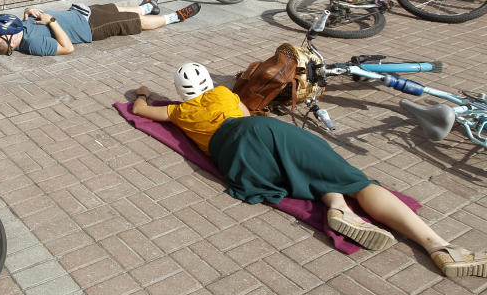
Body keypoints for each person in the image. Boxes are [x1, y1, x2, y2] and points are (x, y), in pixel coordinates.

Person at [130, 65, 487, 278]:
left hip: (238, 166)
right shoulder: (224, 93)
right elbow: (247, 112)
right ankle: (439, 246)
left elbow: (140, 109)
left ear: (180, 93)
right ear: (209, 82)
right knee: (354, 179)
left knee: (314, 177)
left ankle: (340, 209)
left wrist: (145, 92)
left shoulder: (177, 112)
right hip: (256, 132)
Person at [0, 0, 201, 57]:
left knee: (117, 9)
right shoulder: (33, 45)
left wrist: (29, 10)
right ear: (12, 41)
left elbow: (30, 20)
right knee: (134, 23)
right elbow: (67, 48)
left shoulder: (23, 32)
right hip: (91, 28)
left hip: (82, 13)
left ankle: (147, 6)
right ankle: (175, 17)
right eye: (3, 33)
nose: (5, 29)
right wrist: (51, 21)